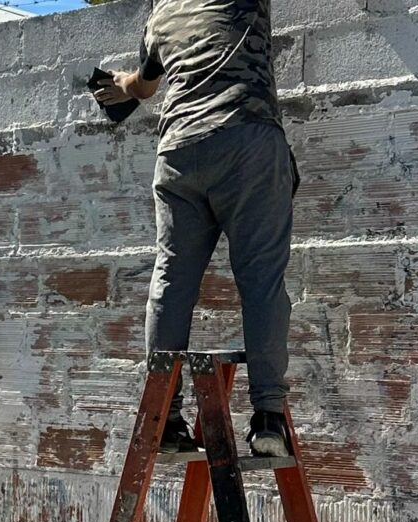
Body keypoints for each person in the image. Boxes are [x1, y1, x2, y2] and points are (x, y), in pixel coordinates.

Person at [94, 0, 297, 457]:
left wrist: (120, 86)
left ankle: (164, 420)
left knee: (171, 280)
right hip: (244, 135)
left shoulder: (162, 13)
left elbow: (144, 86)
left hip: (178, 152)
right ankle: (267, 418)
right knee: (261, 281)